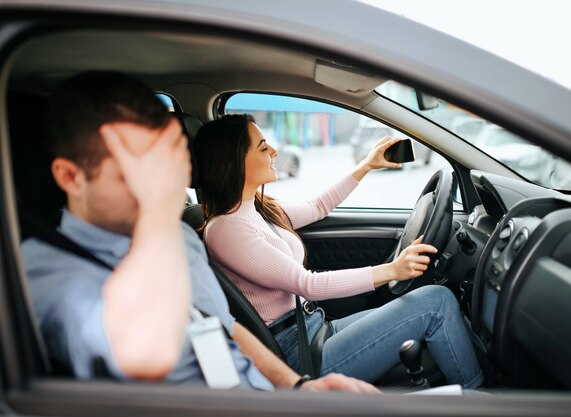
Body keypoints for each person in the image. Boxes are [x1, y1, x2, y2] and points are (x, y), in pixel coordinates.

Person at [20, 71, 377, 393]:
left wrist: (296, 386)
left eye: (164, 161)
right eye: (133, 168)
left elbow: (224, 327)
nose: (160, 181)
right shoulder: (42, 273)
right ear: (70, 177)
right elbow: (140, 352)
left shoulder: (180, 237)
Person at [196, 114, 484, 388]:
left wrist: (366, 165)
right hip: (301, 355)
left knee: (435, 301)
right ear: (234, 161)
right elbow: (307, 284)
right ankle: (479, 397)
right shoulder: (227, 229)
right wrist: (392, 270)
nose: (273, 151)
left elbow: (318, 207)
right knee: (437, 302)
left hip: (315, 328)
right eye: (262, 147)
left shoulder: (258, 209)